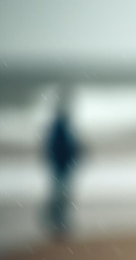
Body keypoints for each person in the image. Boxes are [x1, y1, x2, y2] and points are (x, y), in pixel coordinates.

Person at [44, 91, 82, 240]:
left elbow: (57, 147)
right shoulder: (60, 127)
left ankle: (59, 225)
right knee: (61, 196)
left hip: (62, 166)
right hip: (61, 167)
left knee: (61, 196)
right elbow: (58, 147)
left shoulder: (61, 127)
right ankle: (58, 225)